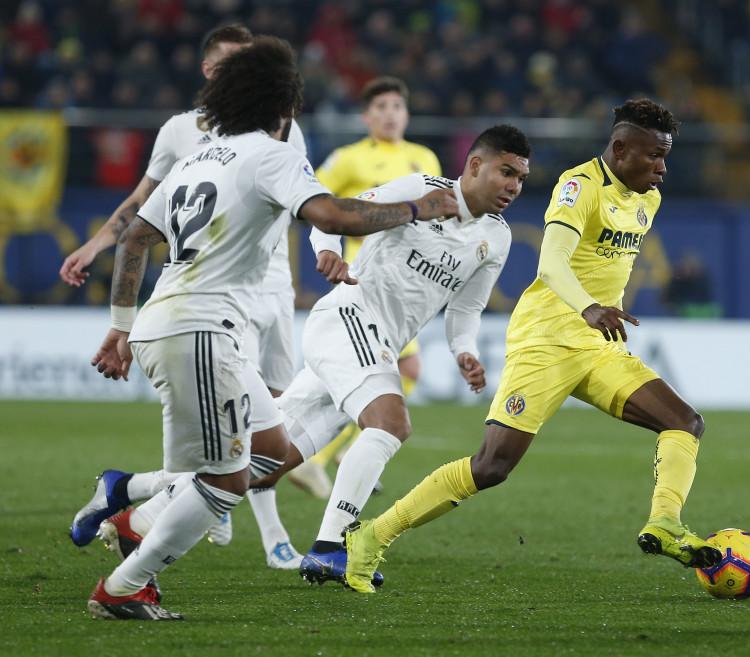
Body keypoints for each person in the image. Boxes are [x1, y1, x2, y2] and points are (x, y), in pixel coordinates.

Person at [85, 36, 457, 620]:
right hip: (202, 330)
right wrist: (418, 209)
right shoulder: (272, 154)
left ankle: (135, 512)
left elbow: (135, 237)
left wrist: (118, 327)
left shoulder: (197, 157)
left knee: (274, 449)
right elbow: (332, 214)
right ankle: (126, 584)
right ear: (284, 106)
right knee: (225, 481)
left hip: (175, 323)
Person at [342, 99, 724, 594]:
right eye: (654, 156)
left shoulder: (647, 199)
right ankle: (370, 536)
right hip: (544, 340)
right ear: (620, 147)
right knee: (491, 467)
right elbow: (551, 262)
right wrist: (588, 306)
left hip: (597, 346)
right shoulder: (579, 186)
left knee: (684, 421)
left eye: (666, 156)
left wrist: (594, 317)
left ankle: (665, 523)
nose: (662, 168)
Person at [244, 125, 530, 587]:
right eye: (507, 172)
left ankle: (137, 497)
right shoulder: (421, 190)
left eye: (521, 177)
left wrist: (464, 351)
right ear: (475, 165)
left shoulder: (496, 237)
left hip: (373, 345)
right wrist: (328, 252)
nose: (515, 186)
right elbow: (335, 212)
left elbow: (466, 308)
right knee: (391, 423)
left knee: (260, 463)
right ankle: (329, 548)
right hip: (348, 317)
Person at [66, 25, 303, 568]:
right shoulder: (180, 134)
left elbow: (304, 196)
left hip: (266, 289)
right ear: (208, 71)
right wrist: (101, 241)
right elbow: (143, 205)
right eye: (227, 66)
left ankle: (133, 493)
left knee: (268, 441)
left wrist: (324, 247)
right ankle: (235, 536)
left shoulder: (280, 132)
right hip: (202, 300)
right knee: (234, 451)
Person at [291, 76, 442, 498]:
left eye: (397, 106)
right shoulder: (349, 158)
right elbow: (312, 196)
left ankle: (331, 454)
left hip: (405, 280)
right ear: (366, 116)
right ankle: (324, 457)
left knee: (388, 372)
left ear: (407, 114)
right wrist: (329, 245)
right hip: (364, 277)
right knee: (397, 371)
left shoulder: (423, 156)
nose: (390, 114)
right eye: (381, 107)